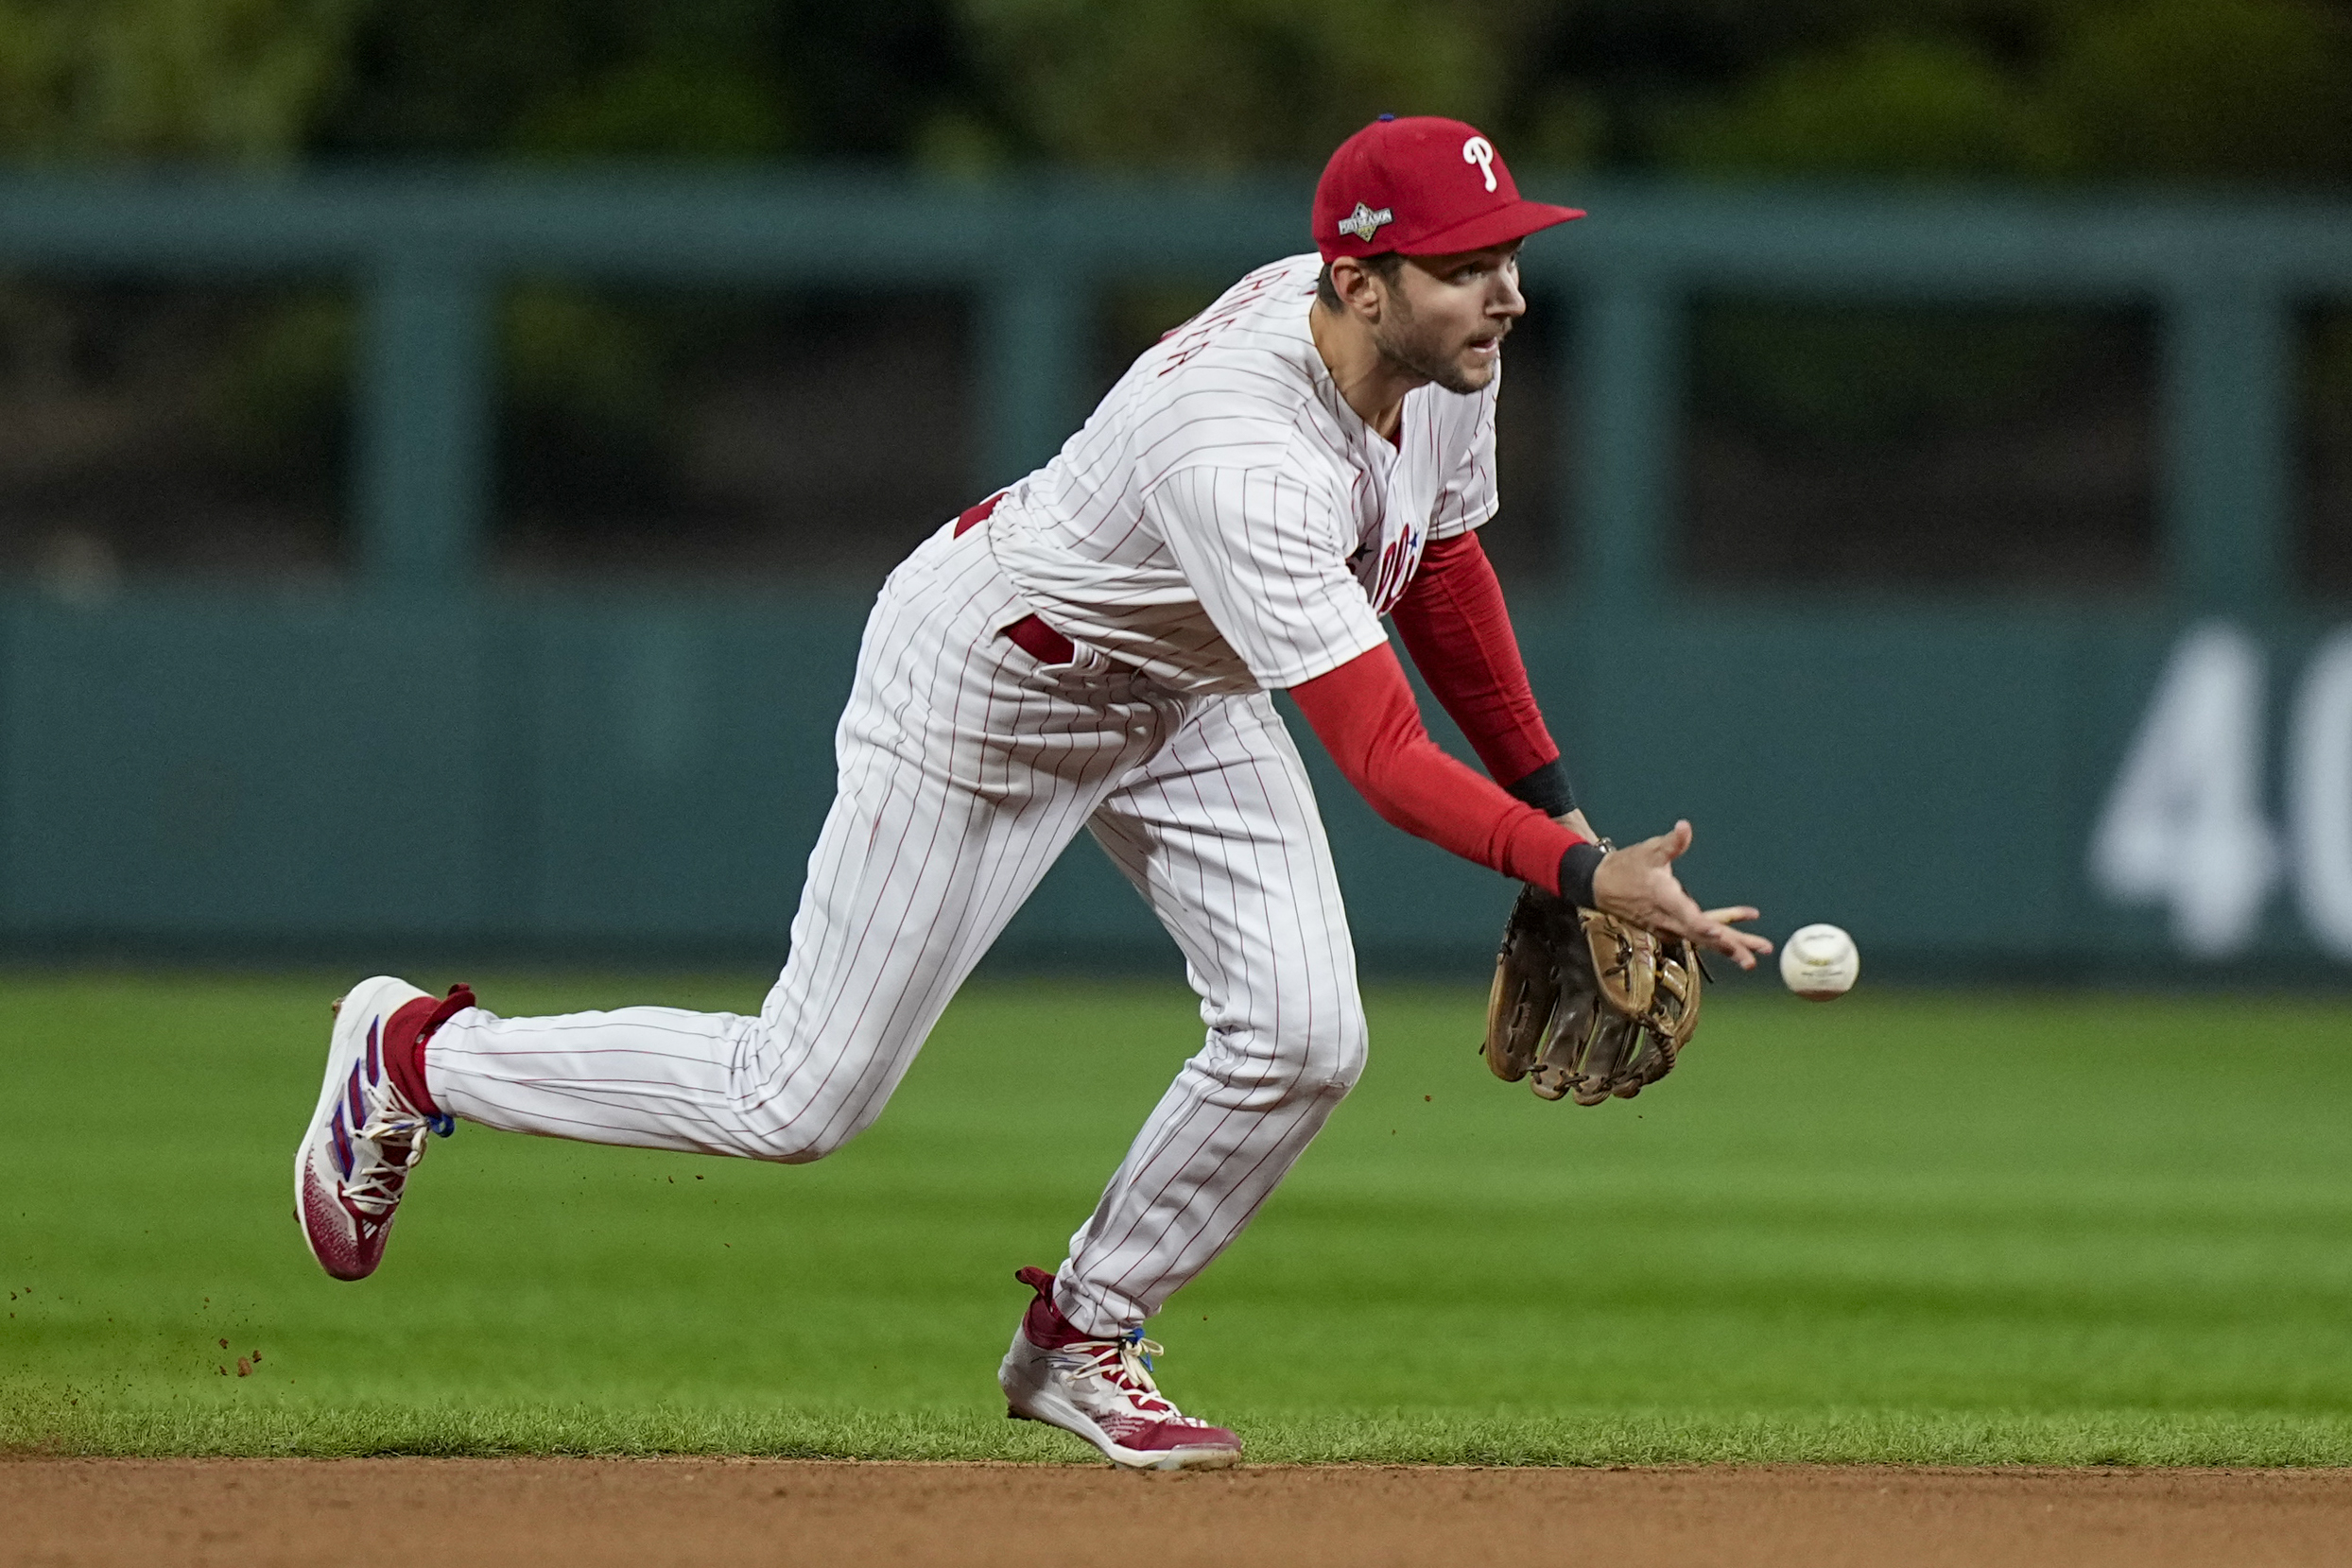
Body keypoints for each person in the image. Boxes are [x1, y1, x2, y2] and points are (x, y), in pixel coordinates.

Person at [292, 114, 1772, 1472]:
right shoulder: (1243, 451)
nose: (1506, 292)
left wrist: (1558, 814)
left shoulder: (1440, 365)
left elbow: (1441, 564)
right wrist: (1581, 880)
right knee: (797, 1099)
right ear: (1360, 279)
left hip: (1181, 686)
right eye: (1466, 267)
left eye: (1510, 254)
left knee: (1308, 1035)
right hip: (992, 684)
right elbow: (1383, 764)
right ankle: (417, 1057)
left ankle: (1083, 1335)